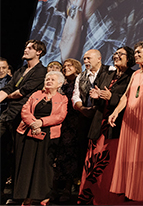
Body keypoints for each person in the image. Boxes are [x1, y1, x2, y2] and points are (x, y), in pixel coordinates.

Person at [78, 47, 134, 205]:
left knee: (108, 164)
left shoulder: (132, 76)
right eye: (115, 53)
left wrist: (112, 97)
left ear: (129, 58)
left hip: (115, 126)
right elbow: (99, 94)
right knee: (92, 162)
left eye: (120, 54)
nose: (116, 56)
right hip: (98, 124)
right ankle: (88, 199)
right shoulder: (107, 74)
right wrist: (96, 97)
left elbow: (130, 100)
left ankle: (106, 200)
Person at [108, 41, 143, 201]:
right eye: (135, 53)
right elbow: (126, 96)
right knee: (128, 155)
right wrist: (116, 112)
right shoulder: (135, 74)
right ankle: (128, 191)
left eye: (139, 52)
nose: (135, 55)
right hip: (129, 120)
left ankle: (141, 194)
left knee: (142, 156)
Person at [0, 40, 47, 196]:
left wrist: (8, 96)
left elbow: (21, 92)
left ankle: (18, 193)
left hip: (23, 117)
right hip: (8, 114)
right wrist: (6, 96)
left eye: (30, 48)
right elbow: (7, 88)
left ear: (39, 52)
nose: (25, 50)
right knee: (3, 152)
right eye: (26, 47)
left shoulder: (41, 71)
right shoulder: (20, 71)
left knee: (17, 156)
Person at [13, 71, 68, 205]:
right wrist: (33, 123)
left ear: (59, 84)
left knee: (43, 166)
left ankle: (42, 195)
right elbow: (25, 110)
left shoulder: (62, 98)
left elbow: (60, 116)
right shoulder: (36, 94)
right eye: (47, 79)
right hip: (29, 131)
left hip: (49, 135)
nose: (48, 81)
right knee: (27, 165)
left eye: (52, 80)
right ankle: (26, 196)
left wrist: (41, 122)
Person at [52, 58, 82, 203]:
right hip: (61, 123)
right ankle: (55, 188)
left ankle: (67, 189)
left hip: (74, 123)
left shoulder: (79, 82)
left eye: (69, 66)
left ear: (77, 68)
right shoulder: (62, 85)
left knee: (71, 156)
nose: (65, 68)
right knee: (59, 155)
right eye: (64, 66)